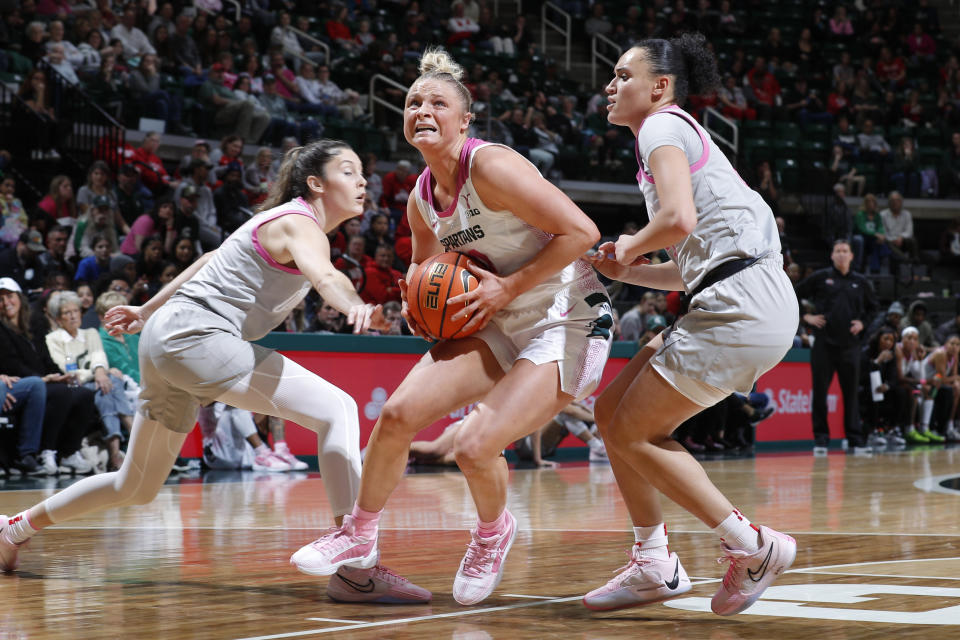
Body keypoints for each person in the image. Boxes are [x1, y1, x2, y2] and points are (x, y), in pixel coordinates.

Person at [0, 140, 431, 605]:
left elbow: (209, 261)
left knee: (136, 484)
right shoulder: (300, 223)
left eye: (363, 172)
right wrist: (355, 306)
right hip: (197, 337)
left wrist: (147, 310)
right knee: (338, 408)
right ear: (315, 184)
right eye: (349, 171)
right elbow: (326, 278)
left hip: (168, 339)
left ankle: (13, 527)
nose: (363, 180)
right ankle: (354, 568)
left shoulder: (276, 221)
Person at [289, 49, 612, 607]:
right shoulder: (419, 199)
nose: (422, 109)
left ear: (464, 121)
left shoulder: (490, 166)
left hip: (568, 313)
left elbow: (582, 232)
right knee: (396, 416)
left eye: (438, 102)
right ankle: (358, 535)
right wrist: (417, 301)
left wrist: (508, 287)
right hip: (494, 314)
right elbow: (426, 266)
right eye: (413, 102)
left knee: (473, 444)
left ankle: (492, 534)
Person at [582, 33, 799, 616]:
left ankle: (750, 546)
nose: (610, 85)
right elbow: (684, 269)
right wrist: (624, 265)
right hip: (734, 293)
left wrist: (629, 246)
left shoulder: (661, 127)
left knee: (633, 432)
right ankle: (653, 561)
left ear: (659, 87)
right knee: (611, 415)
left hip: (741, 302)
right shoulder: (669, 138)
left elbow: (678, 219)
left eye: (623, 75)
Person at [796, 240, 878, 455]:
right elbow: (793, 293)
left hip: (851, 346)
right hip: (823, 344)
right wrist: (806, 317)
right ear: (832, 255)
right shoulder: (821, 277)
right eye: (838, 251)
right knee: (820, 393)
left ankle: (854, 439)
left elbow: (874, 309)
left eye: (845, 251)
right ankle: (821, 440)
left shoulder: (861, 282)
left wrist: (863, 323)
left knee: (851, 395)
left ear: (852, 256)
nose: (841, 255)